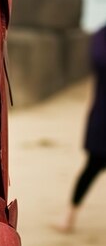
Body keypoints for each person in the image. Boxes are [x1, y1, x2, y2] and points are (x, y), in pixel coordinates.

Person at [54, 23, 106, 233]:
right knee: (93, 165)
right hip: (103, 115)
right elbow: (100, 61)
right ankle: (69, 215)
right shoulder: (101, 35)